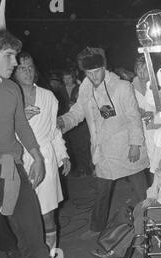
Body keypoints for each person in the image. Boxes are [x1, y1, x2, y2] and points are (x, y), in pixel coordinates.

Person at [0, 27, 56, 258]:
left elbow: (21, 125)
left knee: (35, 245)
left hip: (12, 170)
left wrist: (36, 156)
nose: (15, 63)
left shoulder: (11, 89)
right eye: (10, 55)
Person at [57, 47, 149, 240]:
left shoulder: (122, 86)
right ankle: (97, 227)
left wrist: (135, 144)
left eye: (97, 71)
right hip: (103, 150)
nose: (93, 77)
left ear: (104, 67)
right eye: (88, 73)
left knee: (142, 191)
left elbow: (134, 117)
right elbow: (78, 112)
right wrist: (63, 121)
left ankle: (151, 222)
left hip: (126, 148)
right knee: (101, 191)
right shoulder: (85, 88)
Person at [12, 51, 71, 255]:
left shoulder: (48, 96)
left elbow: (53, 130)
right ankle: (33, 257)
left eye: (30, 67)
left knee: (47, 213)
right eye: (22, 68)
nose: (27, 72)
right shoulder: (10, 96)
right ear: (13, 70)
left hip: (45, 157)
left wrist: (63, 153)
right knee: (23, 214)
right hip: (19, 159)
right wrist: (18, 120)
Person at [62, 68, 93, 176]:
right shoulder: (60, 90)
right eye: (65, 78)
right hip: (68, 122)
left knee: (84, 146)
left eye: (69, 78)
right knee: (73, 147)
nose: (67, 81)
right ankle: (79, 169)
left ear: (73, 78)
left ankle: (89, 169)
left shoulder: (80, 88)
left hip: (81, 124)